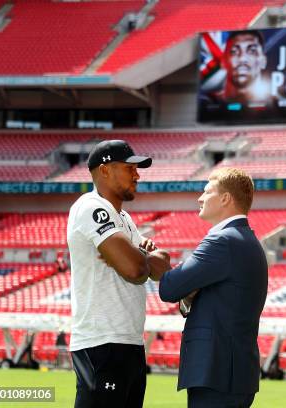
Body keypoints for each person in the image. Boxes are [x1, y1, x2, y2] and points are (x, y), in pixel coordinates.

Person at [66, 139, 170, 408]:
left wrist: (136, 257)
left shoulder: (124, 218)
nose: (137, 174)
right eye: (129, 168)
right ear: (104, 170)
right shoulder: (91, 207)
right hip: (101, 343)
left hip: (129, 342)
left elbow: (161, 266)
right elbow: (136, 269)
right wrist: (139, 258)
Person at [155, 167, 268, 408]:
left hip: (216, 372)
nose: (200, 198)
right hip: (236, 373)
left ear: (225, 198)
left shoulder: (222, 241)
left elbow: (169, 288)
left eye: (207, 192)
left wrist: (157, 264)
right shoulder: (248, 240)